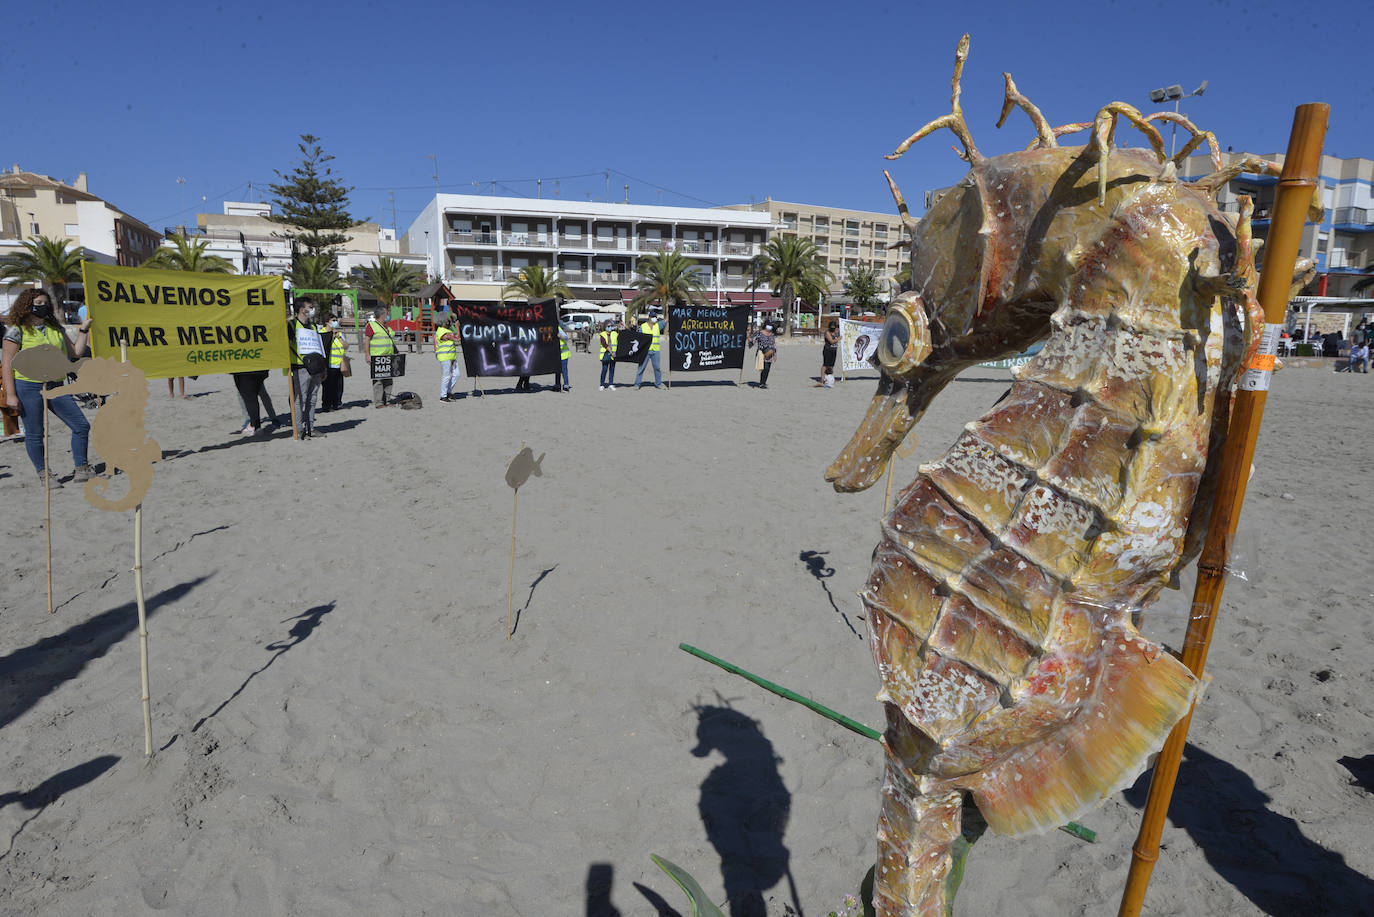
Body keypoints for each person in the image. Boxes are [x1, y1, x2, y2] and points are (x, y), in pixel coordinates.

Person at [1, 288, 94, 486]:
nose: (42, 306)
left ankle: (82, 468)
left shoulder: (56, 328)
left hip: (56, 385)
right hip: (28, 386)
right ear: (26, 305)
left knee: (81, 425)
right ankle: (45, 474)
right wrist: (11, 395)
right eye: (38, 303)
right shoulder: (16, 331)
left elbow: (76, 352)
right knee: (35, 433)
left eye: (45, 303)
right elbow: (7, 364)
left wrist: (84, 329)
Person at [289, 298, 328, 438]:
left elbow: (319, 347)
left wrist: (323, 368)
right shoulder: (291, 325)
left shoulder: (312, 326)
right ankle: (299, 429)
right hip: (300, 367)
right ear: (301, 309)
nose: (312, 309)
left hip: (316, 367)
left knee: (312, 399)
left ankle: (310, 428)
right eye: (310, 307)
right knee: (300, 399)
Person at [364, 307, 398, 407]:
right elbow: (367, 341)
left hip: (389, 357)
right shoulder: (371, 326)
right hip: (377, 357)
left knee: (388, 380)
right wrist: (367, 354)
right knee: (378, 381)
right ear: (382, 314)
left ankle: (387, 401)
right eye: (387, 314)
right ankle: (379, 402)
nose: (388, 316)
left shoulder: (387, 327)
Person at [633, 307, 666, 389]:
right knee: (641, 367)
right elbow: (638, 338)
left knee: (657, 368)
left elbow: (667, 320)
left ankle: (658, 383)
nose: (654, 318)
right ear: (649, 317)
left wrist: (669, 310)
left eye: (655, 317)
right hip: (645, 351)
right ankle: (637, 384)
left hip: (655, 350)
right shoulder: (643, 326)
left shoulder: (658, 325)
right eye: (653, 317)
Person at [435, 311, 462, 401]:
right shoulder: (442, 332)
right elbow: (457, 338)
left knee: (457, 374)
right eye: (448, 320)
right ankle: (443, 395)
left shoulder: (446, 330)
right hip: (445, 357)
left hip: (451, 356)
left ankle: (448, 391)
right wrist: (457, 327)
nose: (449, 321)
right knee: (446, 376)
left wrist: (454, 320)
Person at [752, 323, 777, 389]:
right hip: (762, 353)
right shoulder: (759, 333)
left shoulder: (772, 334)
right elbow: (753, 341)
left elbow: (774, 345)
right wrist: (748, 336)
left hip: (770, 353)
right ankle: (762, 383)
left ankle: (763, 382)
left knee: (767, 369)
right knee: (764, 368)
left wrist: (775, 355)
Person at [598, 320, 618, 390]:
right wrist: (611, 352)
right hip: (605, 354)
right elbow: (604, 344)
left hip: (614, 354)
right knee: (604, 369)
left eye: (611, 326)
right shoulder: (602, 334)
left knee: (612, 369)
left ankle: (611, 384)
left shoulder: (615, 333)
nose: (610, 327)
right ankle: (602, 384)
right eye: (608, 326)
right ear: (605, 327)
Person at [818, 319, 839, 388]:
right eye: (832, 327)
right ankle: (822, 379)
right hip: (828, 350)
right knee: (825, 365)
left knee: (831, 365)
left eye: (834, 327)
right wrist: (839, 339)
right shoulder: (827, 332)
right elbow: (831, 341)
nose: (833, 328)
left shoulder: (836, 332)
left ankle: (830, 377)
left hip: (834, 350)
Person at [557, 326, 572, 392]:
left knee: (564, 370)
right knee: (556, 370)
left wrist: (560, 336)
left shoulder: (558, 329)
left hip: (564, 354)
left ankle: (566, 385)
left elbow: (566, 337)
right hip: (556, 355)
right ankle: (557, 384)